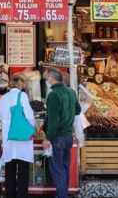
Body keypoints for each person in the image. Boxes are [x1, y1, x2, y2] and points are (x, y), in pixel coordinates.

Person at [43, 68, 81, 198]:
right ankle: (63, 194)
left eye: (47, 78)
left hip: (58, 137)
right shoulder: (71, 92)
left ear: (51, 79)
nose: (46, 81)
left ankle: (61, 195)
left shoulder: (53, 95)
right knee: (64, 167)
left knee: (57, 169)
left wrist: (48, 138)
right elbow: (77, 110)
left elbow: (53, 121)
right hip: (68, 136)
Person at [0, 74, 35, 198]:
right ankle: (21, 195)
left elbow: (2, 118)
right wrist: (32, 129)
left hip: (8, 137)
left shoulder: (3, 98)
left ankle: (10, 194)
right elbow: (29, 116)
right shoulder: (22, 96)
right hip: (22, 137)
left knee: (10, 169)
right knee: (23, 170)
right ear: (21, 84)